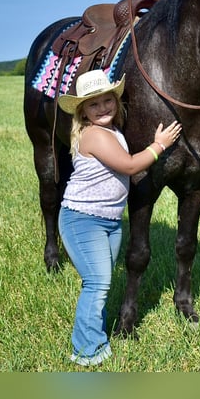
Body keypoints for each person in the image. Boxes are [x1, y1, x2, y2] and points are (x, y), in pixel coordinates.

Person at [56, 69, 182, 366]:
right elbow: (128, 166)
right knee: (97, 283)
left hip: (108, 221)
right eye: (93, 104)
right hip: (82, 220)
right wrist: (160, 144)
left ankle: (93, 337)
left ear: (116, 101)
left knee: (101, 282)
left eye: (107, 101)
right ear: (83, 112)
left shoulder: (112, 131)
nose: (102, 108)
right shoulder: (94, 135)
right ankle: (86, 351)